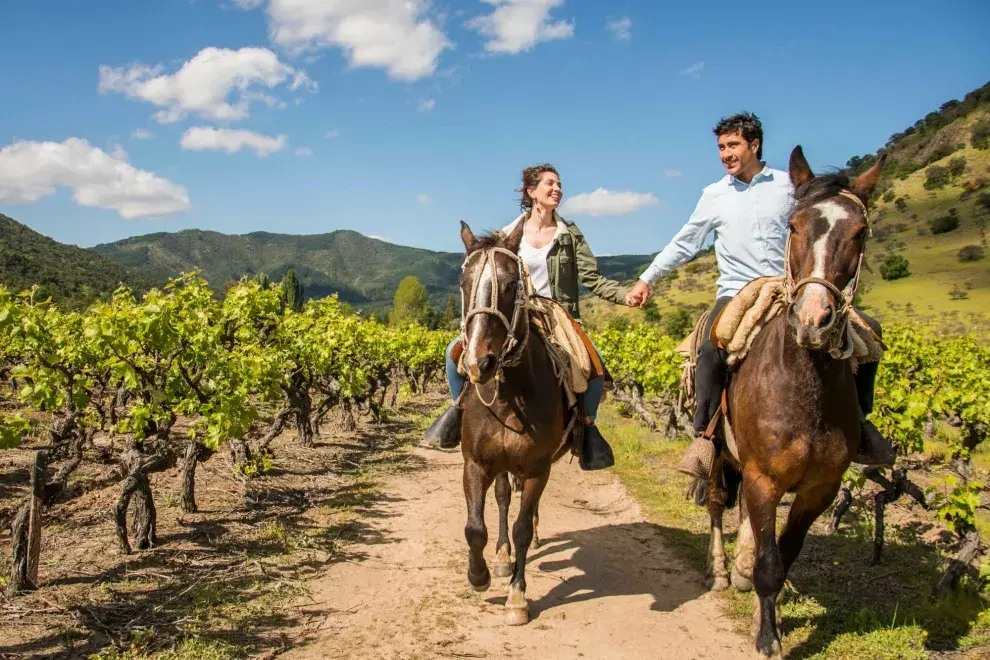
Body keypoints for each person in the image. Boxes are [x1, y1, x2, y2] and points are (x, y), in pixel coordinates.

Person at [626, 112, 895, 479]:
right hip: (737, 292)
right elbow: (685, 243)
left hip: (790, 289)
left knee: (870, 333)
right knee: (709, 349)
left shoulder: (790, 188)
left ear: (754, 145)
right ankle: (705, 437)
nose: (725, 154)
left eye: (732, 145)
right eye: (721, 147)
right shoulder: (713, 196)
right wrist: (647, 278)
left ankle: (861, 425)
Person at [423, 163, 633, 470]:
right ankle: (456, 410)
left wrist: (624, 296)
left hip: (556, 313)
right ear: (531, 192)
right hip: (514, 311)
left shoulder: (569, 234)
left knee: (595, 365)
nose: (557, 188)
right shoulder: (505, 235)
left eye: (559, 184)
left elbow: (593, 278)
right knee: (452, 353)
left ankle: (587, 430)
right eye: (549, 183)